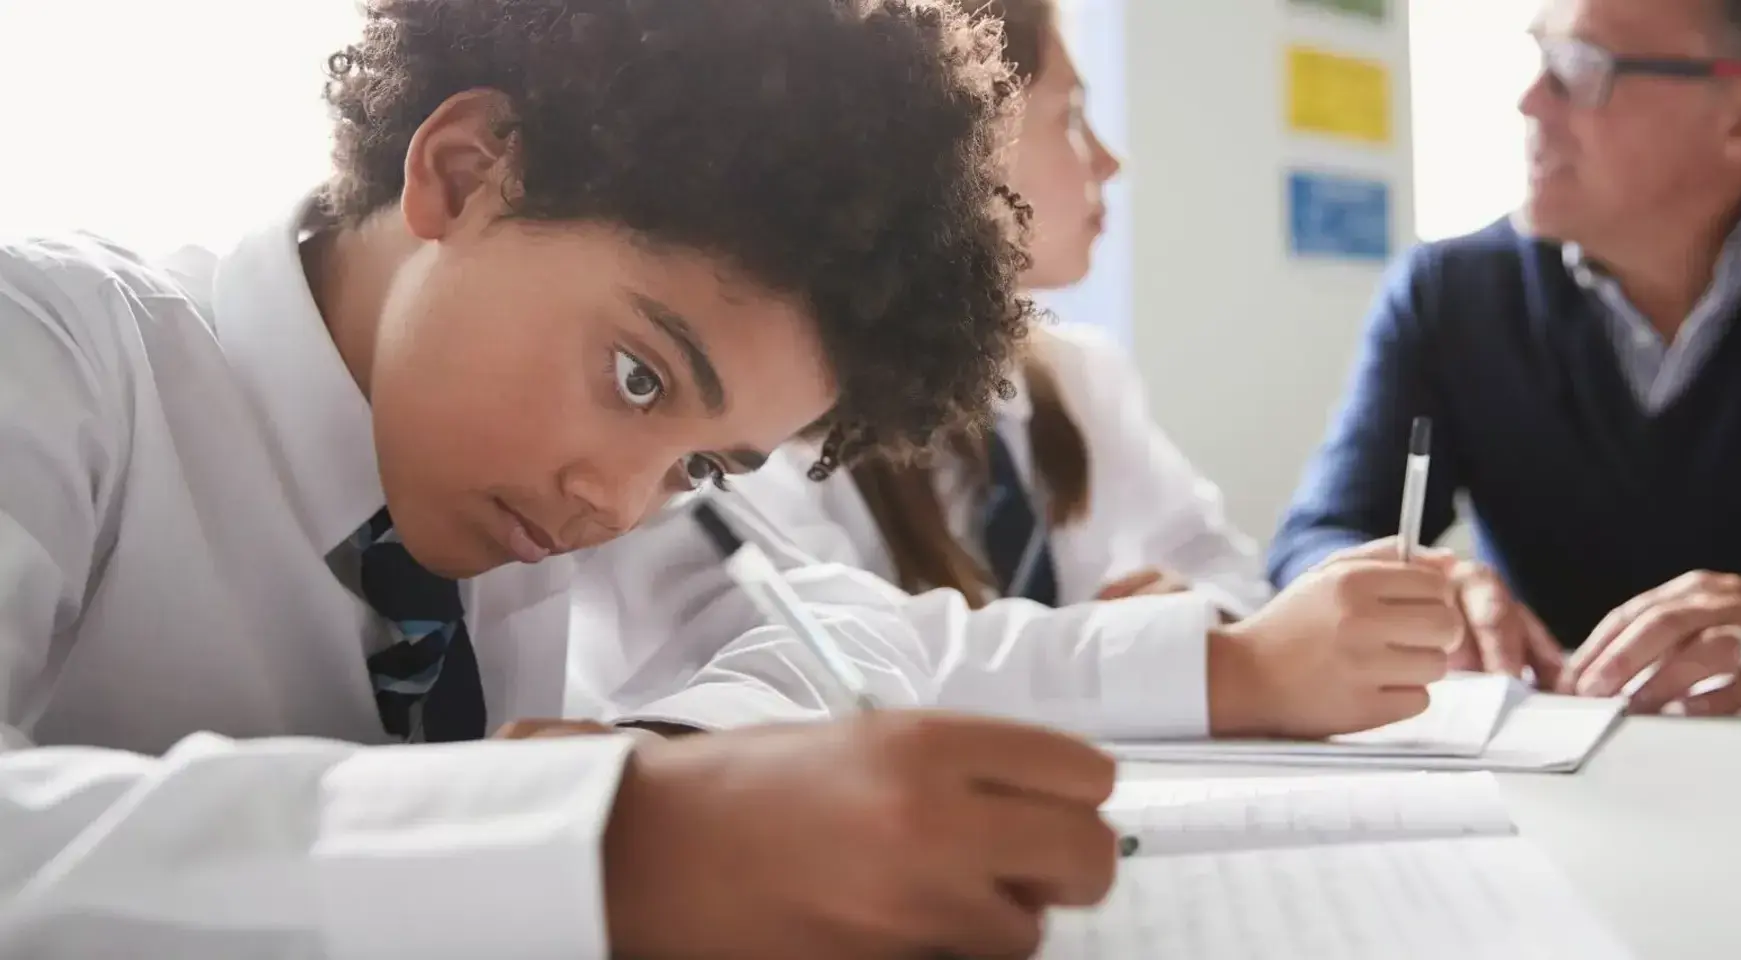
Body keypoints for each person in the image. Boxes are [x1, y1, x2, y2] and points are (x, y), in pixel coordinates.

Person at [0, 1, 1124, 956]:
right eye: (639, 377)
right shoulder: (51, 354)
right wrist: (598, 842)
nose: (620, 505)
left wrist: (678, 762)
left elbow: (848, 632)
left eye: (700, 464)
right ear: (468, 171)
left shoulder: (574, 473)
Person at [567, 0, 1463, 745]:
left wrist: (1189, 624)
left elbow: (1228, 572)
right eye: (1069, 114)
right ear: (965, 142)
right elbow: (821, 654)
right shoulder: (763, 409)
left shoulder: (1082, 377)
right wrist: (1202, 663)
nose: (1110, 159)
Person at [1272, 0, 1741, 717]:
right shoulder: (1447, 295)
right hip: (1553, 790)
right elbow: (1318, 535)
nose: (1528, 99)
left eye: (1581, 68)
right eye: (1541, 55)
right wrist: (1402, 585)